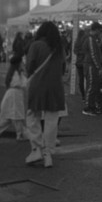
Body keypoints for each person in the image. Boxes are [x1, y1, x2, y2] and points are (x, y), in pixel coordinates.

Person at [24, 21, 66, 168]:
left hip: (38, 84)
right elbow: (63, 68)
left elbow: (30, 66)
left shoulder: (36, 45)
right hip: (56, 86)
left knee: (32, 115)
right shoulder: (59, 47)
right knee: (52, 119)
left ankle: (36, 148)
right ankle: (48, 152)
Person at [0, 55, 27, 140]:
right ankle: (20, 134)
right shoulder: (17, 73)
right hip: (15, 95)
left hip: (11, 94)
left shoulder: (13, 72)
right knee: (17, 115)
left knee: (10, 116)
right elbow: (22, 83)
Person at [82, 22, 102, 116]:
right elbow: (93, 54)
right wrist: (98, 66)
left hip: (91, 65)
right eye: (99, 30)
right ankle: (88, 107)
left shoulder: (92, 39)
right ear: (96, 29)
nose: (100, 33)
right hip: (91, 65)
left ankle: (91, 105)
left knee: (93, 86)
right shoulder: (90, 39)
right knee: (91, 86)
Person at [73, 28, 87, 101]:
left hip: (79, 63)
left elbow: (75, 51)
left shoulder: (76, 42)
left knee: (81, 79)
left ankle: (83, 95)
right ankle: (87, 94)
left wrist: (79, 53)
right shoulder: (85, 41)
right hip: (85, 62)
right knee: (87, 79)